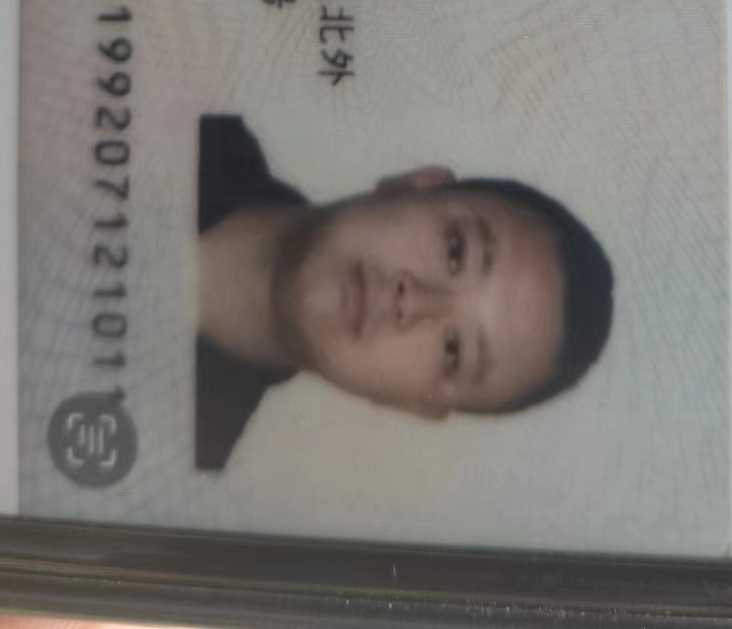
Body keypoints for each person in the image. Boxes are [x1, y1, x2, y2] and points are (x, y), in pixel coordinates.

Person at [197, 116, 614, 469]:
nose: (413, 301)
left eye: (452, 352)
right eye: (455, 251)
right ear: (415, 184)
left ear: (414, 405)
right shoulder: (195, 97)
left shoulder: (185, 455)